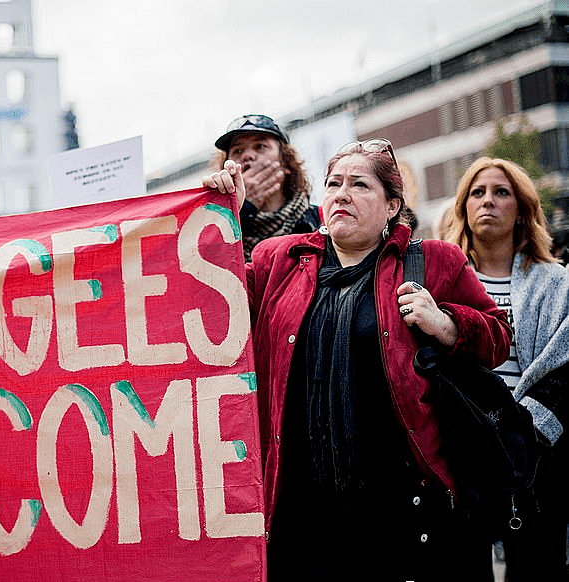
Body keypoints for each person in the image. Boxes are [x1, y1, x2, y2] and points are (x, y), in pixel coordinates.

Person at [204, 139, 511, 580]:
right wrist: (220, 218)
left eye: (359, 184)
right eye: (333, 183)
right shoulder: (278, 260)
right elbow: (211, 302)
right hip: (302, 519)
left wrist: (445, 323)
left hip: (406, 516)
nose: (341, 194)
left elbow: (498, 337)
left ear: (391, 207)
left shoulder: (433, 261)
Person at [448, 157, 569, 581]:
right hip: (462, 451)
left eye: (502, 192)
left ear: (522, 209)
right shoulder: (441, 280)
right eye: (477, 193)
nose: (488, 201)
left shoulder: (558, 283)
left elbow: (564, 369)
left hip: (536, 456)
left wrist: (522, 436)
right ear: (463, 206)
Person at [206, 114, 319, 261]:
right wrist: (244, 208)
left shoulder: (320, 222)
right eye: (238, 151)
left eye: (260, 146)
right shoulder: (217, 231)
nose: (247, 156)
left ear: (285, 161)